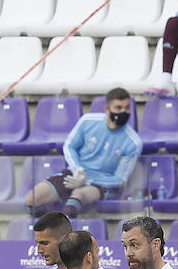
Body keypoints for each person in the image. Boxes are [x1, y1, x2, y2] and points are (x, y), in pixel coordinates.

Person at [24, 89, 142, 217]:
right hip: (76, 174)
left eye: (127, 108)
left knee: (77, 196)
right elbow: (69, 146)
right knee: (32, 198)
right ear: (107, 109)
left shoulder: (133, 142)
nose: (123, 112)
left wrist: (88, 181)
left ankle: (65, 233)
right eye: (118, 108)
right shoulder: (87, 121)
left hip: (102, 183)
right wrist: (77, 170)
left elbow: (120, 179)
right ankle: (49, 230)